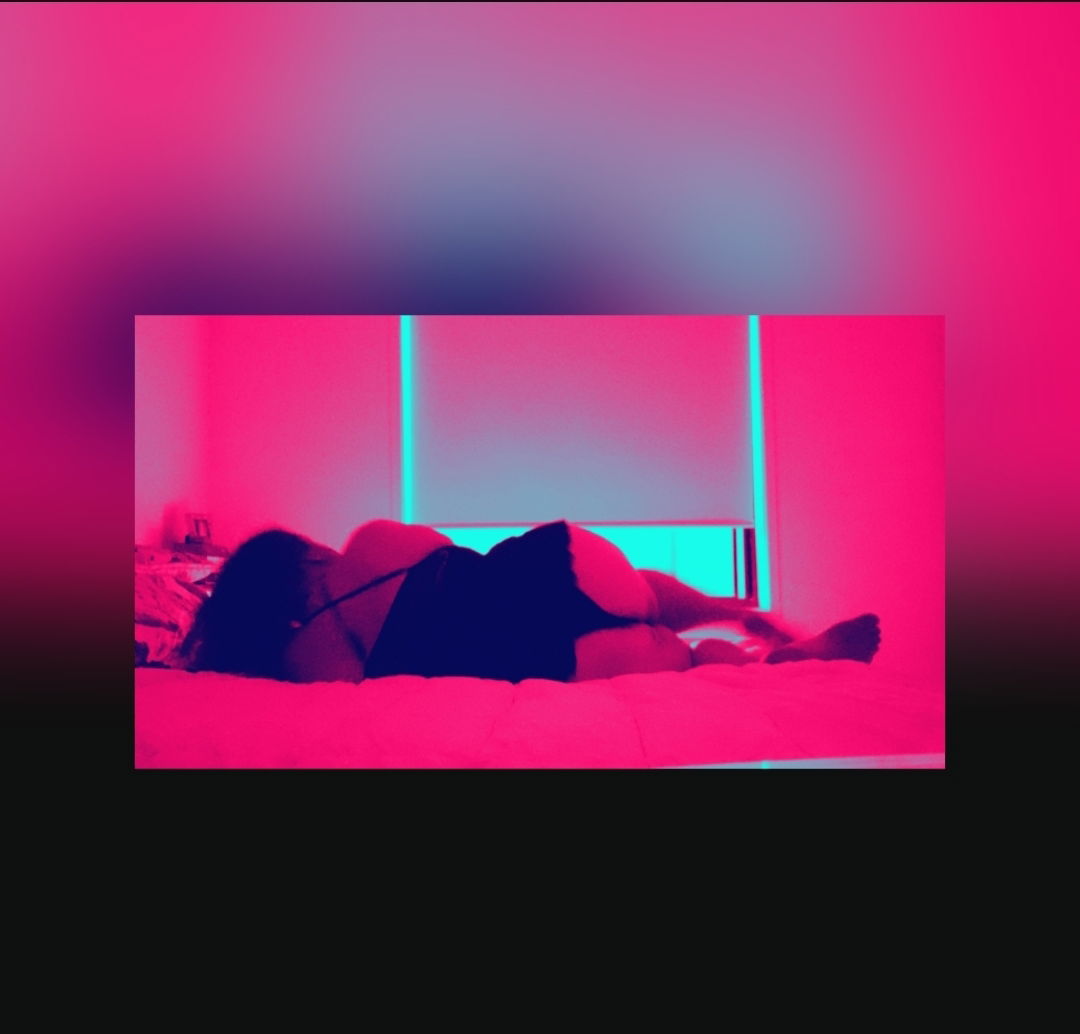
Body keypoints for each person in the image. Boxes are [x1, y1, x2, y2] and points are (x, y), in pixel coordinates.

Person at [181, 518, 880, 684]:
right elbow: (442, 546)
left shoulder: (306, 664)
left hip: (541, 654)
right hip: (558, 566)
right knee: (645, 590)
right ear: (301, 555)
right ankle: (735, 608)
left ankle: (771, 663)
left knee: (686, 662)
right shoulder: (368, 540)